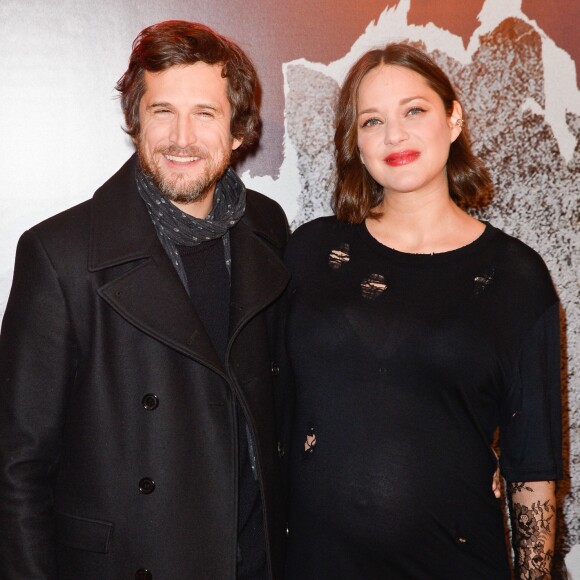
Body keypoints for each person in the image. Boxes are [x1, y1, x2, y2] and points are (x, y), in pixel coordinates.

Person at [0, 20, 291, 579]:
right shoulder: (59, 254)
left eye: (205, 113)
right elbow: (18, 469)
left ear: (238, 131)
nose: (182, 137)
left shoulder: (268, 230)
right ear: (136, 123)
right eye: (163, 112)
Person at [283, 43, 562, 579]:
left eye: (414, 110)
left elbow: (533, 468)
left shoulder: (517, 275)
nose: (394, 135)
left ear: (453, 118)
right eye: (372, 121)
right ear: (355, 142)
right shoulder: (309, 253)